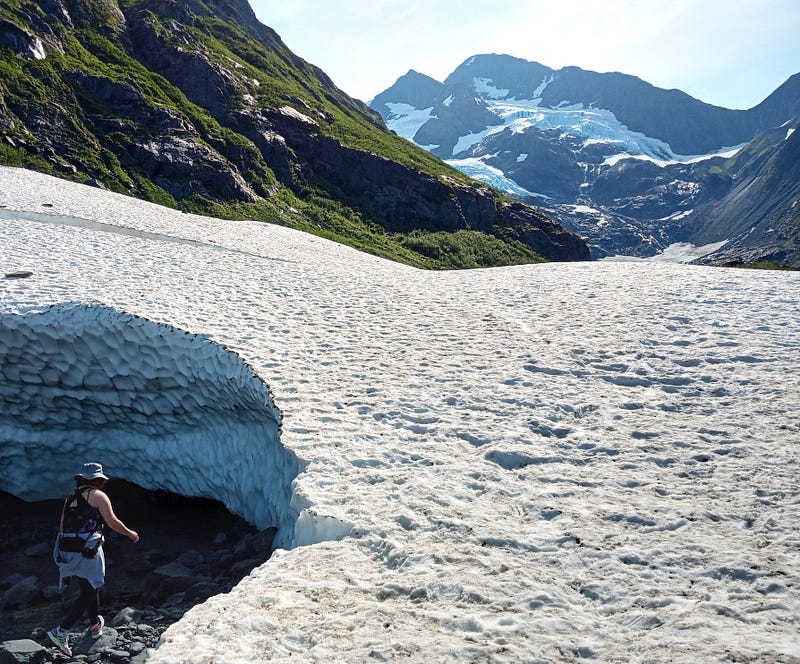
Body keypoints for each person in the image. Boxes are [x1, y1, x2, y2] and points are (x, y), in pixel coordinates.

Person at [46, 462, 139, 656]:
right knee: (91, 588)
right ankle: (61, 631)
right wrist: (130, 533)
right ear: (98, 480)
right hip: (87, 547)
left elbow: (62, 525)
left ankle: (95, 624)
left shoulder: (70, 497)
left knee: (88, 587)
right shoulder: (97, 496)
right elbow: (112, 521)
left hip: (67, 547)